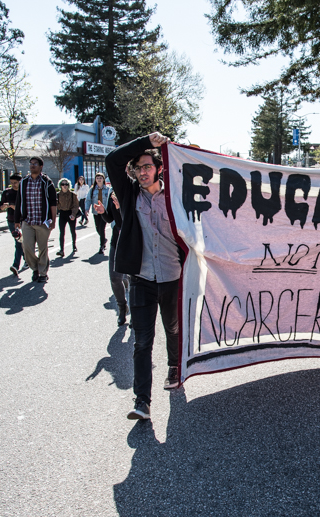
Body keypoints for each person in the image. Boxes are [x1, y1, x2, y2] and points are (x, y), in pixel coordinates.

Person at [105, 132, 181, 421]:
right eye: (138, 168)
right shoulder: (129, 195)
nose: (143, 172)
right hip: (141, 279)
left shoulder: (175, 194)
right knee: (142, 341)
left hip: (173, 275)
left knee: (172, 329)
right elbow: (112, 159)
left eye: (148, 166)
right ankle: (142, 401)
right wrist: (146, 141)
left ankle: (174, 367)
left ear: (159, 169)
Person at [15, 157, 57, 283]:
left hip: (42, 221)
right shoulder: (24, 182)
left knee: (43, 248)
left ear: (41, 167)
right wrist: (17, 220)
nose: (32, 166)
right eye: (31, 164)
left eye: (35, 164)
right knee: (27, 248)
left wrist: (53, 220)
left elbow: (53, 203)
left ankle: (43, 273)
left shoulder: (46, 182)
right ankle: (35, 268)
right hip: (27, 221)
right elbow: (19, 201)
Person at [94, 190, 130, 326]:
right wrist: (103, 212)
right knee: (115, 278)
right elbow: (110, 219)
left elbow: (132, 219)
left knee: (134, 280)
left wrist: (121, 209)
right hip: (117, 241)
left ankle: (136, 313)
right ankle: (122, 307)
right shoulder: (112, 192)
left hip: (132, 242)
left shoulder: (131, 190)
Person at [0, 173, 27, 277]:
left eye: (15, 183)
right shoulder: (6, 193)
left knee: (21, 242)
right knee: (19, 241)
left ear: (20, 182)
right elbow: (0, 206)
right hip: (11, 221)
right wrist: (3, 207)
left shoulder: (23, 192)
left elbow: (25, 207)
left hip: (24, 221)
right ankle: (25, 261)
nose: (13, 185)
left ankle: (17, 265)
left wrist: (14, 207)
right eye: (12, 183)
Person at [85, 172, 112, 254]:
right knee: (98, 229)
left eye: (101, 178)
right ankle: (103, 239)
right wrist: (86, 210)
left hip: (104, 212)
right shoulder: (92, 190)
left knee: (102, 228)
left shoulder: (107, 189)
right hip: (96, 212)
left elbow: (110, 200)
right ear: (95, 180)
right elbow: (88, 200)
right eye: (97, 178)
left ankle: (102, 246)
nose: (99, 179)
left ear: (103, 179)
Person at [55, 178, 79, 257]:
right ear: (60, 186)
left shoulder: (72, 194)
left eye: (66, 184)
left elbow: (76, 205)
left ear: (69, 185)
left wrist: (73, 214)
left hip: (70, 213)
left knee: (72, 230)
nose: (64, 186)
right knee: (62, 232)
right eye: (63, 184)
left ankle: (74, 246)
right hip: (62, 214)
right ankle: (61, 250)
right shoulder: (58, 195)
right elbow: (56, 205)